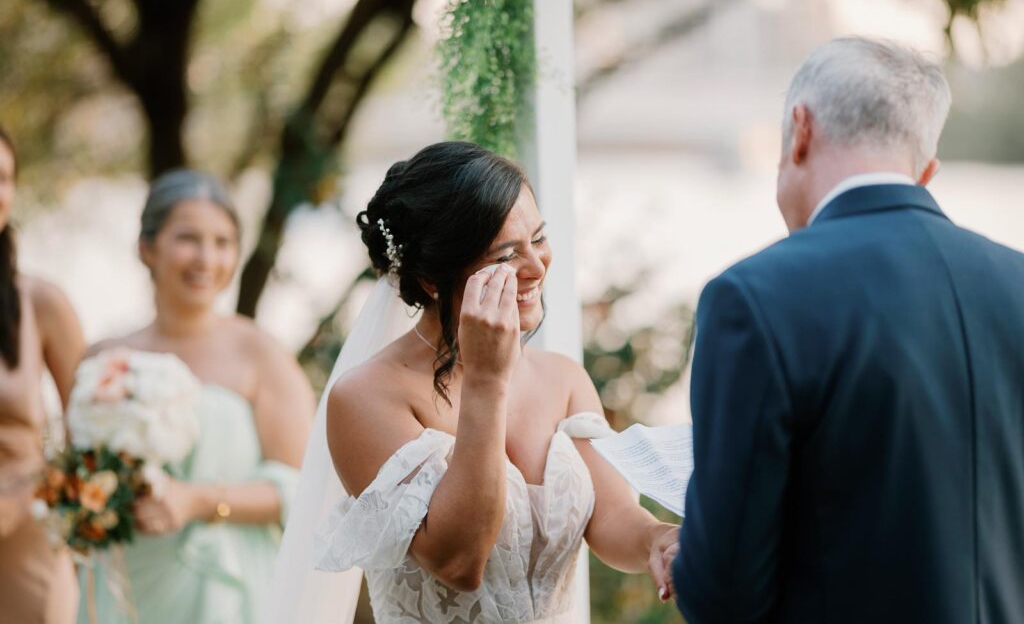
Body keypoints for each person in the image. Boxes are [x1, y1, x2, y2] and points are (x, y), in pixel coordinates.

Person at [671, 37, 1024, 623]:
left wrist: (691, 558)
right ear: (926, 171)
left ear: (800, 130)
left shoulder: (755, 299)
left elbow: (723, 594)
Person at [267, 141, 678, 623]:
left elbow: (612, 519)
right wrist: (487, 382)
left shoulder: (562, 378)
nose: (537, 266)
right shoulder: (365, 398)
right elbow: (458, 562)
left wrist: (657, 539)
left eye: (539, 238)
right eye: (505, 256)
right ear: (432, 281)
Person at [77, 169, 314, 624]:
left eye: (223, 242)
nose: (207, 258)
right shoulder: (103, 359)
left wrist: (199, 500)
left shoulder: (261, 354)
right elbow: (80, 475)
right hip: (121, 581)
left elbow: (302, 491)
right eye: (188, 238)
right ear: (147, 248)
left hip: (222, 589)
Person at [0, 126, 85, 623]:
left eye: (5, 177)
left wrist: (28, 496)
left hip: (26, 541)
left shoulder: (41, 303)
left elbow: (92, 445)